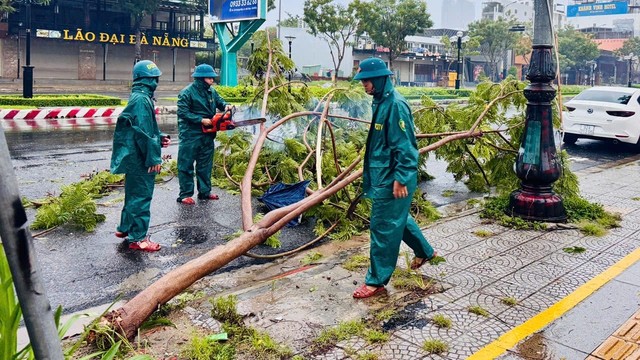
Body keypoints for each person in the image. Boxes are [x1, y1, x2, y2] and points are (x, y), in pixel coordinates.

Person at [352, 58, 437, 299]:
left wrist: (401, 178)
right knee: (399, 219)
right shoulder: (381, 101)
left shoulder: (395, 105)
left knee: (383, 227)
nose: (363, 85)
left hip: (393, 178)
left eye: (366, 81)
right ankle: (425, 252)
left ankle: (376, 281)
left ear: (378, 80)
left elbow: (406, 148)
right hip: (384, 175)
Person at [111, 60, 170, 252]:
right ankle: (138, 238)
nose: (157, 82)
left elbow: (143, 128)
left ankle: (125, 228)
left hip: (135, 155)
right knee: (141, 197)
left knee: (133, 194)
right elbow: (143, 132)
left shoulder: (139, 97)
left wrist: (159, 137)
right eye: (155, 79)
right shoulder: (142, 100)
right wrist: (153, 158)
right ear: (147, 79)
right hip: (140, 158)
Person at [176, 64, 233, 205]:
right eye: (209, 78)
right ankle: (185, 194)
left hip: (208, 134)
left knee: (205, 165)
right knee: (186, 164)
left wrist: (226, 106)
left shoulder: (211, 92)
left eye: (212, 78)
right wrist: (201, 120)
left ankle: (205, 191)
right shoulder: (187, 93)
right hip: (190, 134)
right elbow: (183, 112)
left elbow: (220, 102)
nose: (212, 80)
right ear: (200, 78)